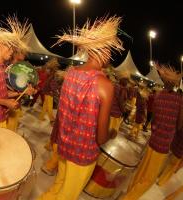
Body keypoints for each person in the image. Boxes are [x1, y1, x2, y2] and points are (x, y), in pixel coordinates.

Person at [38, 16, 124, 200]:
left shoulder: (70, 74)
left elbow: (62, 113)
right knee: (68, 195)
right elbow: (100, 138)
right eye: (109, 49)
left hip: (64, 146)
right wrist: (110, 134)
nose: (110, 54)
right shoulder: (105, 85)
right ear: (103, 51)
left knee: (58, 186)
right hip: (82, 155)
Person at [122, 64, 183, 200]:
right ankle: (128, 198)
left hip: (153, 140)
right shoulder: (179, 99)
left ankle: (129, 191)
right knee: (149, 178)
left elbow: (154, 120)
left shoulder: (158, 96)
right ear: (175, 84)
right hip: (163, 145)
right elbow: (179, 125)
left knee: (141, 171)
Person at [38, 58, 60, 124]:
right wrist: (55, 91)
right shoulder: (52, 76)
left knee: (45, 105)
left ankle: (41, 117)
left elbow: (50, 84)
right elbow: (52, 85)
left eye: (48, 69)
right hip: (49, 92)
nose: (46, 70)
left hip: (47, 92)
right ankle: (51, 119)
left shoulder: (50, 75)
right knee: (49, 106)